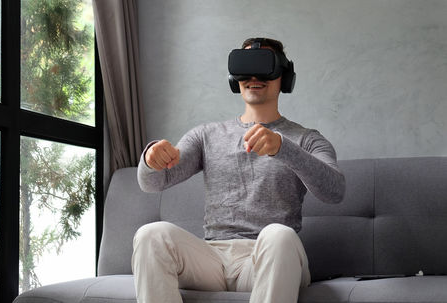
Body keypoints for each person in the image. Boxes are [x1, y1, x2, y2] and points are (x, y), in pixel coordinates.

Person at [132, 37, 346, 303]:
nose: (254, 76)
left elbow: (335, 191)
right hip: (211, 259)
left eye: (264, 67)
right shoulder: (206, 135)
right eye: (246, 67)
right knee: (151, 234)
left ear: (285, 77)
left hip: (269, 257)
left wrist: (283, 148)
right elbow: (151, 183)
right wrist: (152, 159)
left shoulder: (306, 139)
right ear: (235, 78)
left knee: (279, 235)